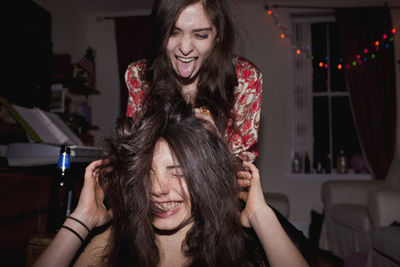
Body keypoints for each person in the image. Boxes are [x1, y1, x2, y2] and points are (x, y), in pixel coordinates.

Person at [34, 102, 309, 267]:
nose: (158, 189)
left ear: (205, 177)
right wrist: (83, 219)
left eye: (177, 172)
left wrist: (260, 216)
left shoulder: (238, 249)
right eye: (148, 173)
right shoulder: (117, 240)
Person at [125, 0, 262, 163]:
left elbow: (244, 173)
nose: (185, 47)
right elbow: (132, 156)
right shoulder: (139, 75)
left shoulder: (245, 78)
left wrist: (217, 146)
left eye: (201, 35)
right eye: (173, 33)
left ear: (218, 35)